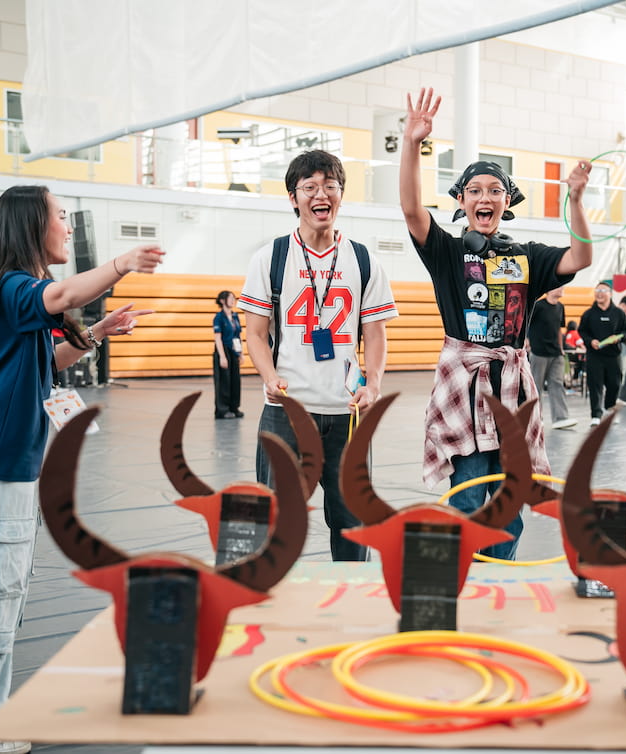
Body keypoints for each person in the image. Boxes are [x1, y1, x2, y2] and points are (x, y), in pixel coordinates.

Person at [0, 185, 162, 754]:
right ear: (33, 225)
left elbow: (46, 361)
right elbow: (61, 295)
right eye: (61, 217)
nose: (68, 227)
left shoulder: (9, 293)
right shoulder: (14, 286)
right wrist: (122, 263)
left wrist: (99, 334)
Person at [399, 87, 593, 560]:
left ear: (507, 202)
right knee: (467, 500)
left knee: (509, 507)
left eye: (495, 191)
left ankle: (498, 581)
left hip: (514, 394)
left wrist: (575, 199)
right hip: (464, 391)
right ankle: (466, 582)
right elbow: (410, 210)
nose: (485, 198)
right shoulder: (446, 252)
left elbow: (582, 257)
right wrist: (411, 144)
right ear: (462, 201)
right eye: (475, 191)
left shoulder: (527, 256)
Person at [241, 149, 397, 562]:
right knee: (273, 517)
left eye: (329, 185)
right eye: (309, 187)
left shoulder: (363, 260)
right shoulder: (271, 257)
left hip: (346, 413)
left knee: (352, 522)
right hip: (287, 410)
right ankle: (264, 599)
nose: (320, 194)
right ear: (294, 198)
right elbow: (254, 333)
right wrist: (269, 376)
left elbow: (375, 332)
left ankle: (349, 607)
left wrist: (375, 382)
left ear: (341, 195)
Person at [578, 281, 626, 426]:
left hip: (613, 355)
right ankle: (596, 414)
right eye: (597, 290)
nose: (599, 293)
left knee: (614, 384)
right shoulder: (588, 314)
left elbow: (625, 331)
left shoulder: (619, 313)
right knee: (595, 385)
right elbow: (582, 331)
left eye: (603, 290)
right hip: (594, 356)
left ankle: (609, 408)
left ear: (610, 294)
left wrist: (618, 338)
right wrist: (590, 341)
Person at [527, 287, 576, 429]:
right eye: (558, 287)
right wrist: (527, 341)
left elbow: (559, 330)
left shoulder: (561, 307)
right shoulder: (538, 305)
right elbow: (526, 323)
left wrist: (561, 348)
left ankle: (560, 418)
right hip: (539, 352)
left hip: (556, 353)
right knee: (536, 386)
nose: (561, 289)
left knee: (557, 384)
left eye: (562, 287)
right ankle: (535, 418)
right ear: (548, 290)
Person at [212, 289, 244, 419]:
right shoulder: (219, 318)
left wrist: (240, 353)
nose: (233, 300)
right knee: (223, 382)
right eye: (230, 298)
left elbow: (238, 336)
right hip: (223, 350)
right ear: (222, 301)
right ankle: (222, 410)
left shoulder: (235, 316)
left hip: (233, 350)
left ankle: (233, 407)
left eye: (234, 298)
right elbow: (218, 338)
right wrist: (222, 357)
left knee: (235, 380)